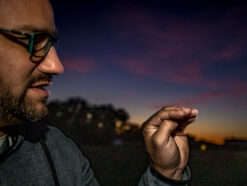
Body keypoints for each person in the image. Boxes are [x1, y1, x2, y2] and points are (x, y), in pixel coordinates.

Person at [0, 0, 198, 185]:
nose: (56, 66)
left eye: (51, 43)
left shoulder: (57, 149)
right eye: (33, 41)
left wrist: (166, 173)